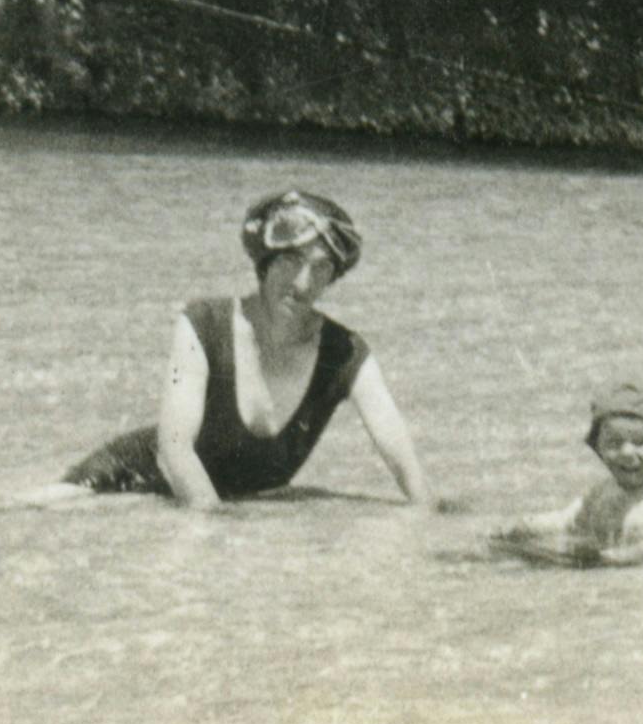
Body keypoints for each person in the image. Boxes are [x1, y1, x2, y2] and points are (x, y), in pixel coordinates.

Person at [55, 189, 449, 510]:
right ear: (265, 260)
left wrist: (431, 521)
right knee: (35, 510)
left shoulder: (345, 354)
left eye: (322, 267)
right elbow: (174, 451)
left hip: (225, 509)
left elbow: (405, 466)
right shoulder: (204, 323)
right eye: (291, 261)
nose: (303, 282)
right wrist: (219, 539)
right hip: (124, 482)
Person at [494, 384, 643, 565]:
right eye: (614, 443)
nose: (627, 452)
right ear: (599, 447)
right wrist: (522, 527)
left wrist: (632, 554)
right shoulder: (602, 492)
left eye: (641, 442)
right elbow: (567, 522)